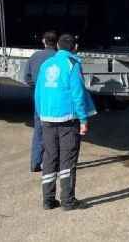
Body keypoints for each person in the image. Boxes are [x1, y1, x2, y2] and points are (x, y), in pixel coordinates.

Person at [35, 33, 93, 211]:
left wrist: (40, 113)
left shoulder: (46, 64)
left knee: (50, 157)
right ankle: (68, 200)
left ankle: (48, 199)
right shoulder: (72, 64)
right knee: (67, 159)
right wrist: (83, 119)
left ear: (58, 47)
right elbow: (78, 93)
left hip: (46, 117)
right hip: (67, 118)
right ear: (74, 48)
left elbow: (37, 92)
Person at [21, 31, 58, 173]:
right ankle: (52, 163)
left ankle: (35, 162)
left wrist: (36, 87)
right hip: (55, 97)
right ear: (56, 43)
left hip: (39, 97)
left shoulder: (35, 56)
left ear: (43, 41)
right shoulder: (58, 58)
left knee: (39, 129)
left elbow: (27, 77)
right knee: (55, 130)